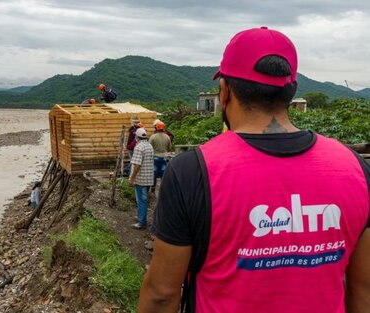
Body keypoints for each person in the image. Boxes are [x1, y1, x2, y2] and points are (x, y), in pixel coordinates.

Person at [138, 26, 370, 313]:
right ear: (290, 92)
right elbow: (364, 287)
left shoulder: (193, 172)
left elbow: (162, 294)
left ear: (224, 92)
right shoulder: (353, 168)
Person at [129, 127, 154, 230]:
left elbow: (137, 165)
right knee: (143, 199)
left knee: (141, 200)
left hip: (141, 179)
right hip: (148, 178)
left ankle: (141, 222)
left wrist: (132, 178)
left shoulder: (138, 148)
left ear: (137, 137)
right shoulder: (149, 146)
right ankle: (141, 217)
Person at [149, 121, 172, 191]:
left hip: (155, 157)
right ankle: (164, 187)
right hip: (164, 158)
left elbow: (149, 148)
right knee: (163, 172)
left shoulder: (152, 137)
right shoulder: (167, 137)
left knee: (154, 172)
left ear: (156, 127)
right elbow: (169, 148)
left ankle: (153, 187)